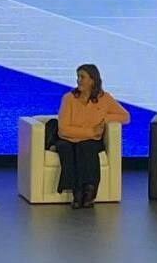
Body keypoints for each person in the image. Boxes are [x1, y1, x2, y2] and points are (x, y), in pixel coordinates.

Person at [56, 64, 130, 209]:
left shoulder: (105, 98)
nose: (78, 80)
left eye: (82, 77)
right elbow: (63, 129)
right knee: (68, 148)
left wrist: (105, 119)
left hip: (91, 141)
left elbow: (125, 116)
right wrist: (90, 132)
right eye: (78, 77)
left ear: (93, 80)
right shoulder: (69, 98)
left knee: (86, 147)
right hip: (69, 139)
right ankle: (77, 193)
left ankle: (89, 192)